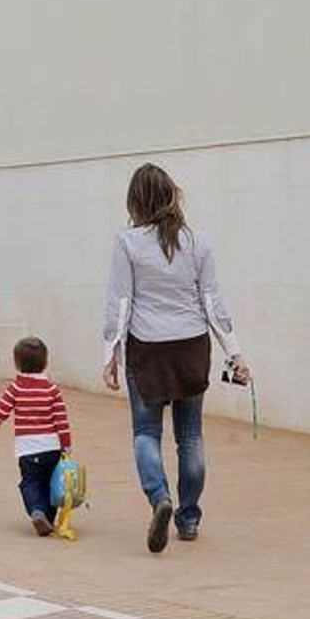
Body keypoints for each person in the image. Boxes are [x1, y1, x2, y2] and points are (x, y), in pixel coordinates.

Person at [102, 163, 251, 553]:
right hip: (191, 346)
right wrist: (234, 353)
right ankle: (188, 518)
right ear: (172, 195)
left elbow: (120, 303)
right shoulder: (198, 242)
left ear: (135, 201)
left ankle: (159, 497)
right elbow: (212, 302)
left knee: (146, 432)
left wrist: (110, 354)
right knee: (191, 436)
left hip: (146, 348)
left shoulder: (127, 242)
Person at [0, 337, 74, 537]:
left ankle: (36, 511)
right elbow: (62, 421)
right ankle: (48, 518)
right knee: (50, 483)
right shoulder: (52, 391)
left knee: (30, 482)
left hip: (27, 450)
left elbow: (1, 411)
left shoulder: (15, 389)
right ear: (46, 363)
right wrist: (67, 445)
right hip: (52, 448)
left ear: (16, 363)